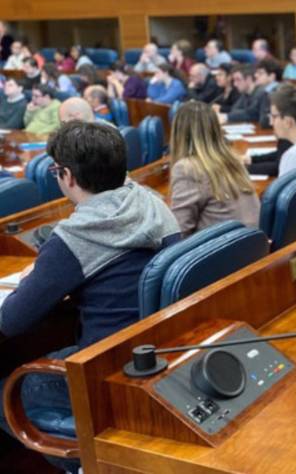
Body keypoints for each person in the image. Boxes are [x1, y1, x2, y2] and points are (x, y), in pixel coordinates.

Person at [0, 121, 180, 474]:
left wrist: (37, 278)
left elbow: (11, 320)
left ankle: (82, 466)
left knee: (3, 390)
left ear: (66, 175)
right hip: (153, 352)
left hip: (100, 373)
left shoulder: (75, 237)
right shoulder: (153, 202)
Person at [169, 101, 260, 235]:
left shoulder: (187, 169)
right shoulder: (233, 158)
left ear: (179, 133)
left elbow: (179, 232)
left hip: (223, 251)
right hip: (251, 246)